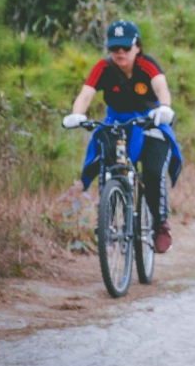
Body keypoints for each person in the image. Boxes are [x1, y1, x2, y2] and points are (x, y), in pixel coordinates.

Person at [62, 20, 182, 253]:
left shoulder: (147, 65)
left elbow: (161, 87)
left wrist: (165, 108)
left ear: (137, 47)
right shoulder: (103, 68)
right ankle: (106, 214)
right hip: (117, 122)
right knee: (107, 162)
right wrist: (77, 114)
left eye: (125, 47)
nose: (120, 53)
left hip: (150, 121)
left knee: (153, 172)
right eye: (114, 48)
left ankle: (160, 225)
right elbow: (86, 94)